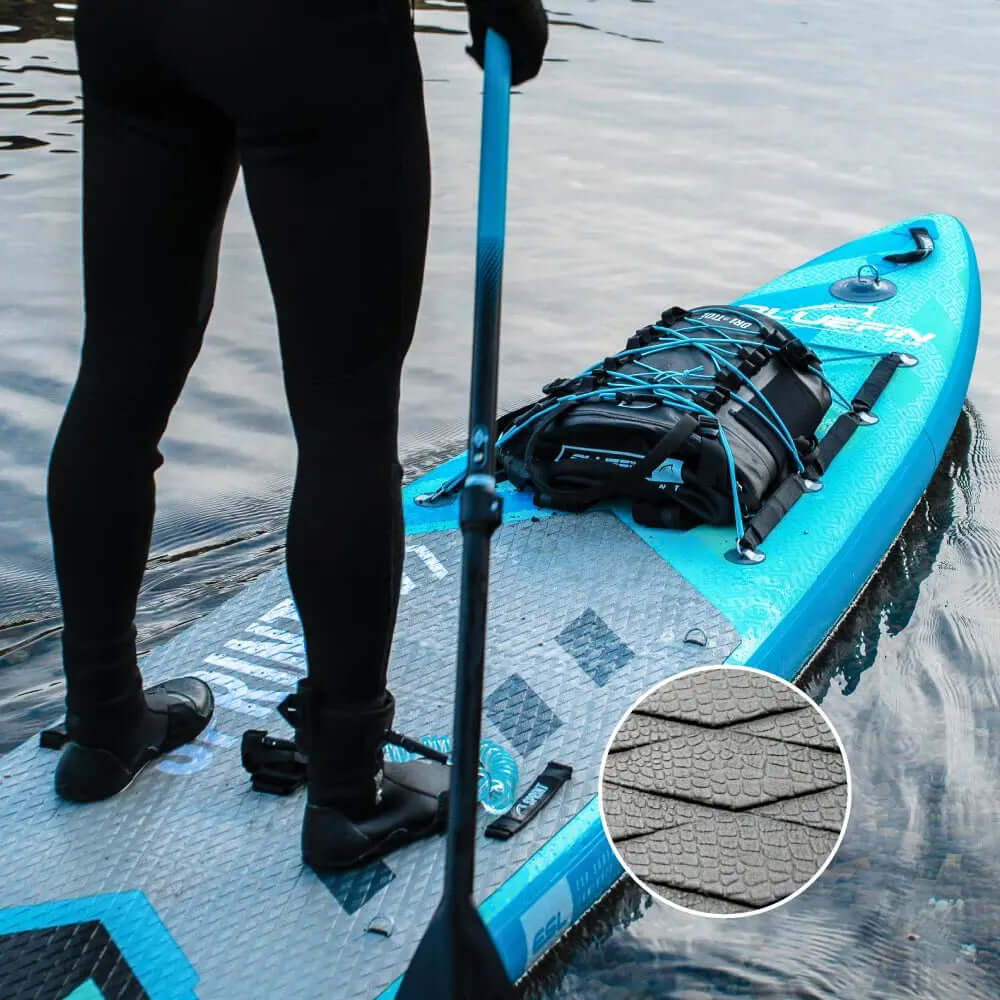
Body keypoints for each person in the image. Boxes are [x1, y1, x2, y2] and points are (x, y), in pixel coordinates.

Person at [46, 0, 547, 870]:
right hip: (308, 32)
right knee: (346, 415)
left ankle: (102, 726)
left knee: (118, 381)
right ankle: (349, 793)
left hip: (130, 24)